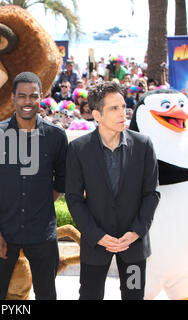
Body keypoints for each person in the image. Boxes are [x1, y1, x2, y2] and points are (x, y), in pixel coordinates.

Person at [65, 81, 160, 300]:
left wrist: (136, 232)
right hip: (96, 244)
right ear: (97, 115)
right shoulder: (79, 149)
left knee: (134, 295)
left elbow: (151, 193)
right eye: (114, 108)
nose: (123, 113)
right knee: (90, 295)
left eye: (123, 106)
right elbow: (74, 198)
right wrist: (97, 236)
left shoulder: (143, 145)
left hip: (134, 244)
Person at [0, 72, 68, 300]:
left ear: (41, 98)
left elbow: (61, 181)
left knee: (47, 294)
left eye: (33, 96)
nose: (27, 101)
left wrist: (39, 203)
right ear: (13, 98)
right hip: (3, 230)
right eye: (22, 96)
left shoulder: (56, 136)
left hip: (42, 233)